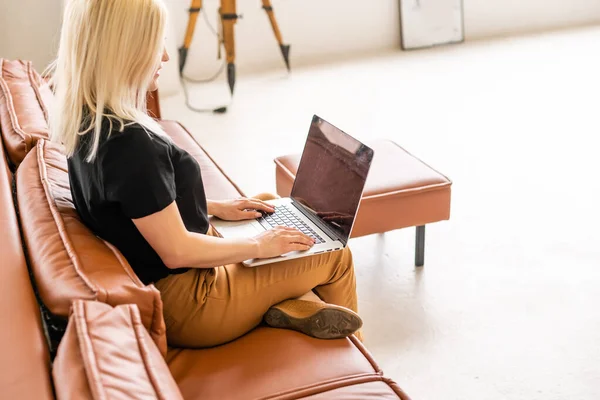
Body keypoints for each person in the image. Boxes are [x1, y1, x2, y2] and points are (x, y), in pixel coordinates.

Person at [48, 0, 362, 348]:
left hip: (161, 274)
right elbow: (177, 252)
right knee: (335, 254)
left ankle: (290, 306)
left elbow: (133, 203)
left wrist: (213, 207)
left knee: (269, 205)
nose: (165, 57)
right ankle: (365, 365)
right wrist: (258, 246)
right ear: (125, 49)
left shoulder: (88, 117)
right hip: (191, 302)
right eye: (156, 44)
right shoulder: (130, 145)